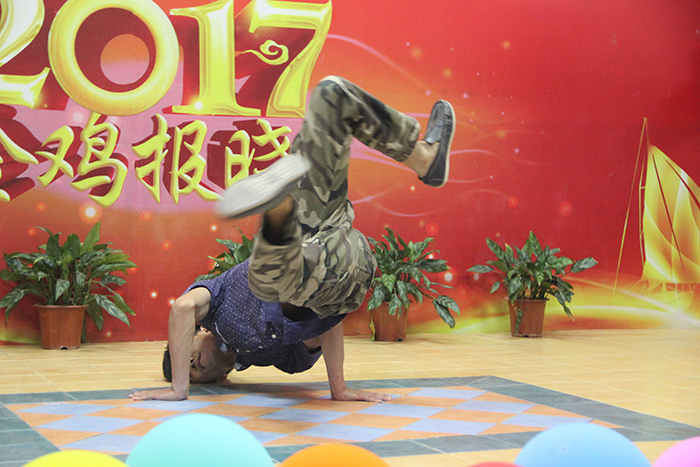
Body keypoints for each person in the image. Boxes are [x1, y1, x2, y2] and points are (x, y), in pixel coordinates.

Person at [129, 76, 455, 403]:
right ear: (222, 378)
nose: (194, 363)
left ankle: (424, 159)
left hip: (325, 226)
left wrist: (180, 388)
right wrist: (339, 389)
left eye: (187, 357)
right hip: (340, 268)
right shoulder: (285, 361)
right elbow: (326, 326)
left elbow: (183, 308)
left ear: (198, 332)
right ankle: (278, 212)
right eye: (194, 372)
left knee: (332, 94)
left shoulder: (212, 306)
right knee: (276, 283)